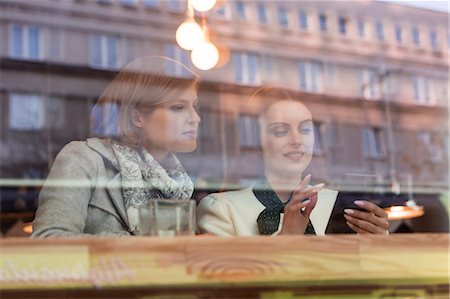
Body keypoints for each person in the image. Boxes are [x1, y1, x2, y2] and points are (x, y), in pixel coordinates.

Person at [32, 56, 201, 237]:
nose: (195, 119)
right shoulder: (84, 159)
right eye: (178, 107)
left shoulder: (176, 184)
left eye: (194, 106)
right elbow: (47, 240)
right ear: (137, 118)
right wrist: (140, 247)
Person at [197, 86, 389, 236]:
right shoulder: (223, 209)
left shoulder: (340, 206)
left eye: (305, 130)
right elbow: (227, 282)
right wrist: (286, 238)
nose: (297, 140)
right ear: (258, 140)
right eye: (280, 131)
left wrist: (378, 245)